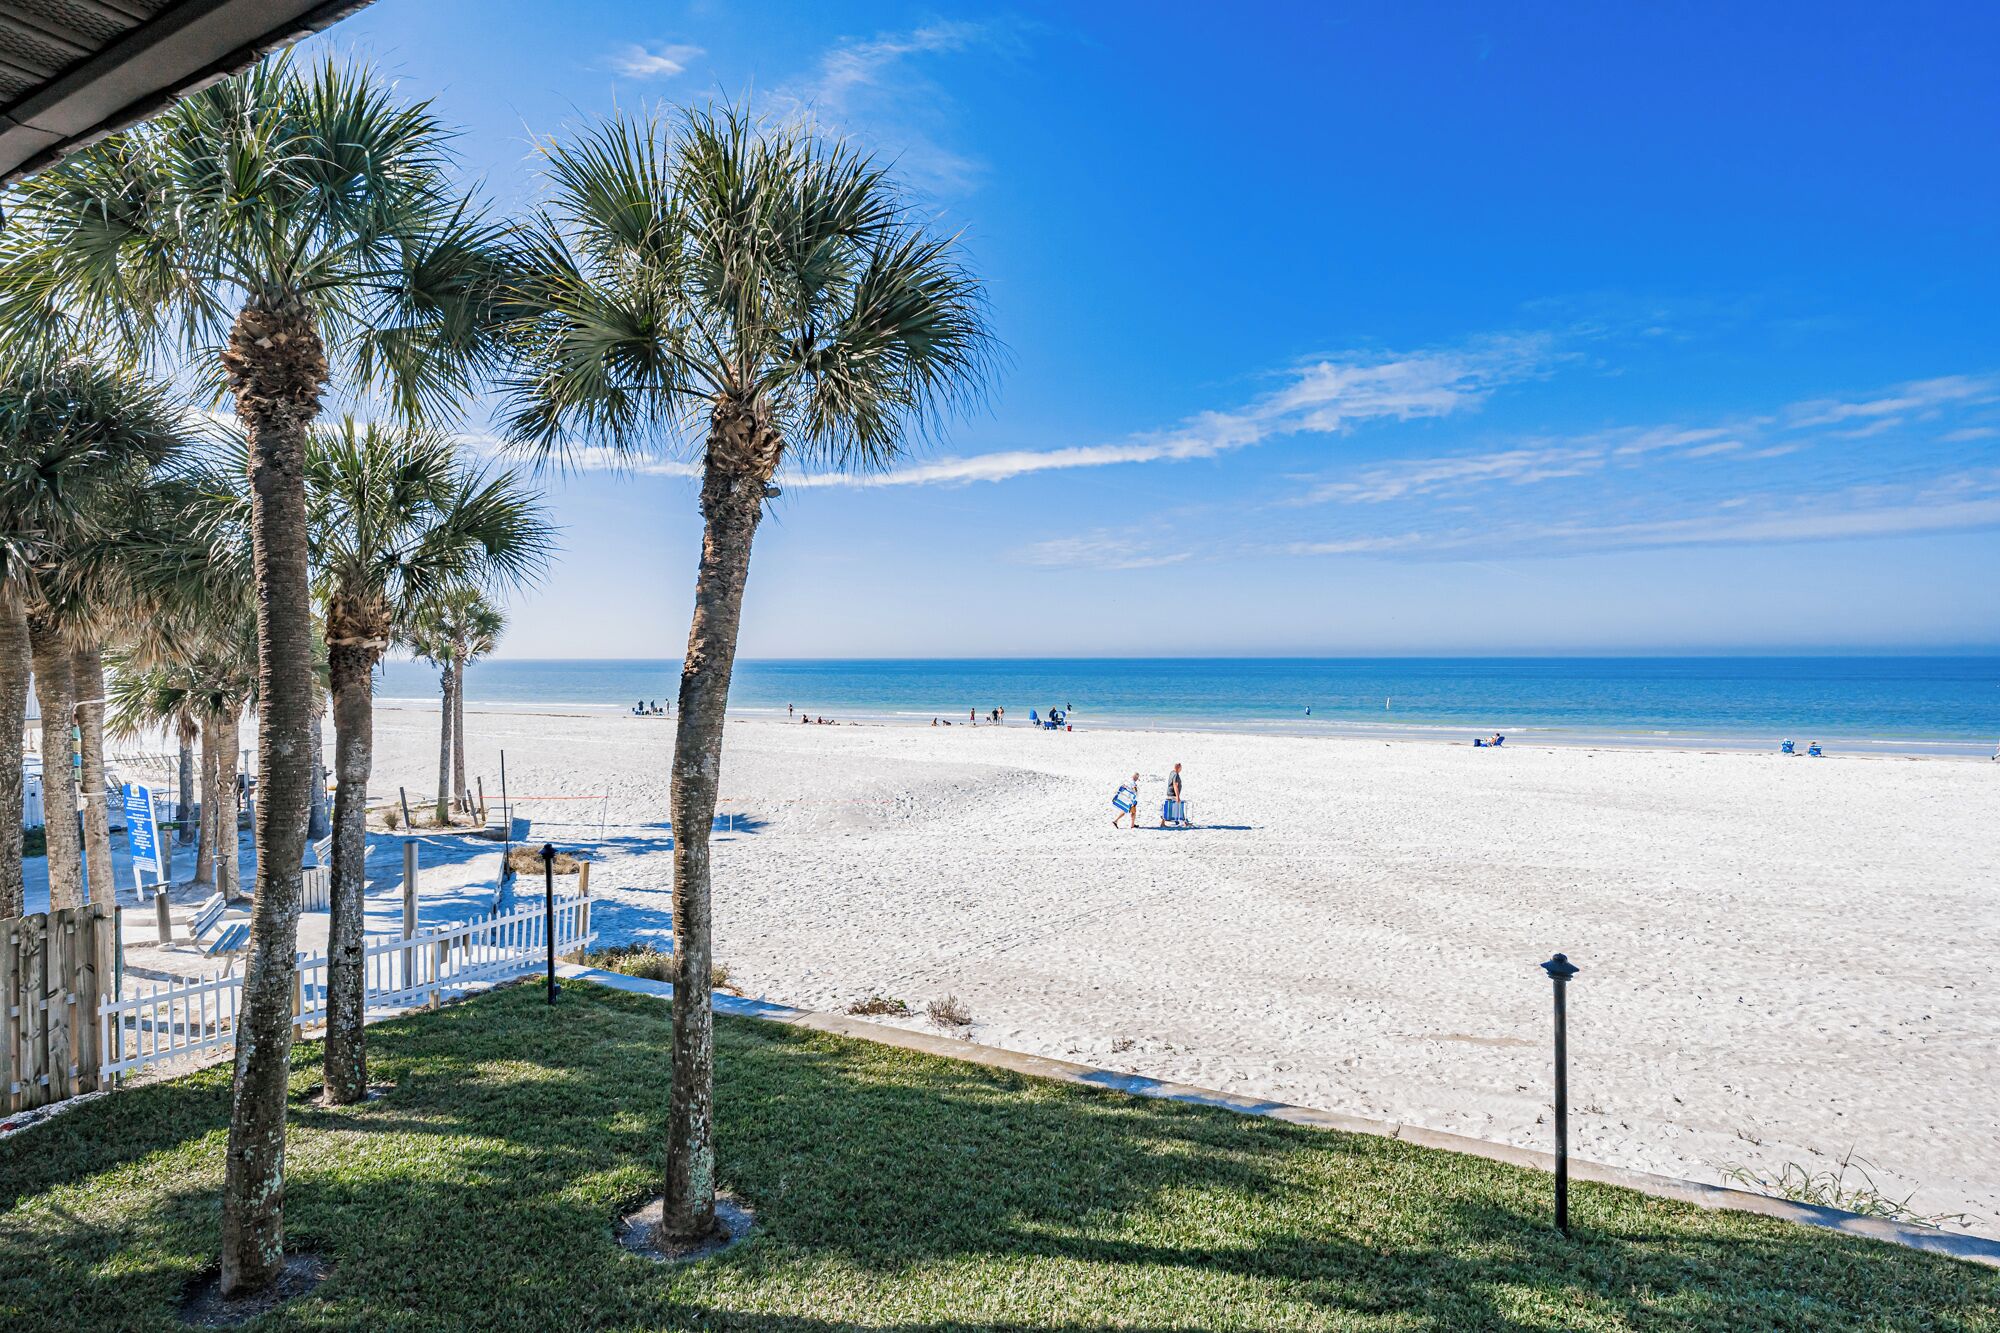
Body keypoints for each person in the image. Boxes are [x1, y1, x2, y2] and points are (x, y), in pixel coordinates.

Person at [1165, 762, 1184, 826]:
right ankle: (1184, 822)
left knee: (1169, 808)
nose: (1181, 769)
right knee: (1180, 807)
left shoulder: (1172, 772)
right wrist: (1178, 796)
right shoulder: (1176, 774)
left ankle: (1163, 822)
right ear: (1178, 767)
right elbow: (1175, 785)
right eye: (1181, 767)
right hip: (1173, 794)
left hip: (1169, 793)